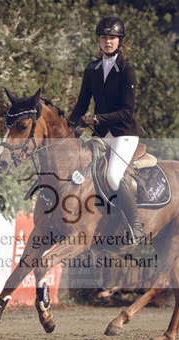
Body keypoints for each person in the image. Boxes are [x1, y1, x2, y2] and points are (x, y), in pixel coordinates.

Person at [68, 15, 146, 242]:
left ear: (120, 41)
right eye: (103, 37)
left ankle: (136, 227)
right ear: (98, 40)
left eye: (112, 38)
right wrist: (68, 128)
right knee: (80, 172)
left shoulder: (127, 70)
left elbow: (127, 111)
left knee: (112, 176)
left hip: (124, 133)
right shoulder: (91, 69)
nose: (108, 41)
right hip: (102, 134)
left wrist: (96, 119)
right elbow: (82, 104)